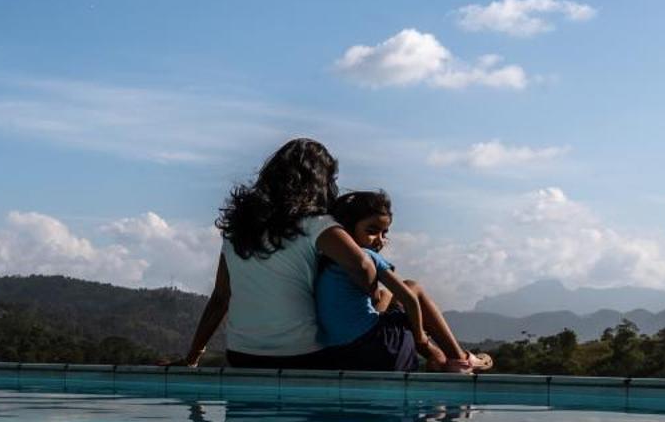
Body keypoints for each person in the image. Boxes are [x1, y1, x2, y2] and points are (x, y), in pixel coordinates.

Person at [179, 138, 418, 371]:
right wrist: (374, 296)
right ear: (319, 182)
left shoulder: (238, 229)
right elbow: (362, 266)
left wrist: (192, 356)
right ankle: (444, 358)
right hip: (302, 356)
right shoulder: (316, 224)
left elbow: (221, 298)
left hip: (243, 356)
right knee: (399, 296)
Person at [317, 190, 492, 373]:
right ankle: (460, 359)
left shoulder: (326, 262)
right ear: (348, 230)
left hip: (343, 355)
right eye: (372, 231)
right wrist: (421, 338)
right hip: (379, 348)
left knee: (386, 295)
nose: (380, 240)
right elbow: (409, 298)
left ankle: (438, 357)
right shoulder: (365, 256)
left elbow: (376, 304)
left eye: (384, 233)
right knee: (411, 286)